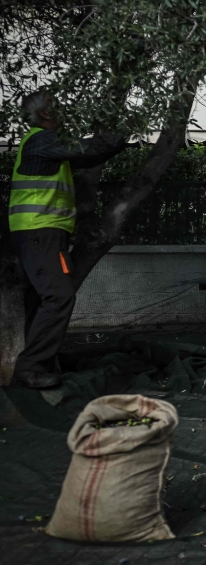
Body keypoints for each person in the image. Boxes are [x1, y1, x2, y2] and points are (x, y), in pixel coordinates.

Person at [8, 90, 126, 389]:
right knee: (58, 296)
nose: (62, 110)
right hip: (40, 231)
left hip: (42, 232)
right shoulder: (41, 140)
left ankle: (41, 364)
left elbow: (89, 156)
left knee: (41, 299)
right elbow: (88, 150)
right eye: (57, 106)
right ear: (45, 114)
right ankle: (31, 368)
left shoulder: (43, 145)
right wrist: (124, 129)